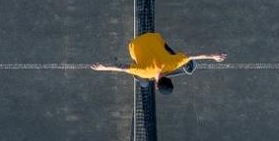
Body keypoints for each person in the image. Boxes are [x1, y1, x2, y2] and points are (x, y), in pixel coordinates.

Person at [89, 32, 226, 93]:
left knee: (173, 54)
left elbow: (192, 56)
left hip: (152, 36)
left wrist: (212, 55)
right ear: (156, 86)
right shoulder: (144, 72)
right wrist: (104, 67)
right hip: (134, 43)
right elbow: (121, 68)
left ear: (169, 81)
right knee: (140, 78)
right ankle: (134, 48)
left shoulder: (174, 64)